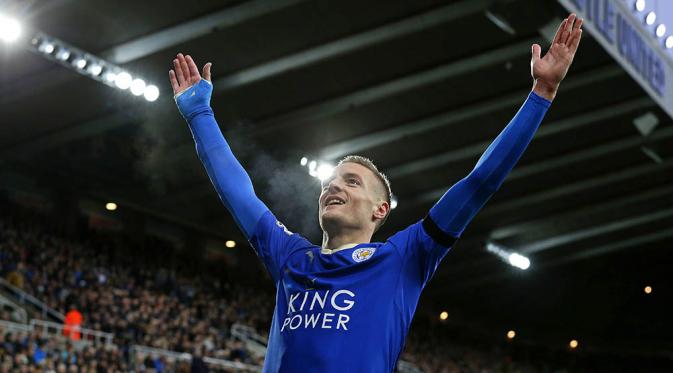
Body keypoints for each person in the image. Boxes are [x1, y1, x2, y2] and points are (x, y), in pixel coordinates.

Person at [169, 14, 583, 373]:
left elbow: (478, 182)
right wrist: (200, 114)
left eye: (351, 182)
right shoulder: (292, 258)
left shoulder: (403, 258)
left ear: (380, 210)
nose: (333, 186)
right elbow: (238, 192)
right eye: (331, 182)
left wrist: (541, 95)